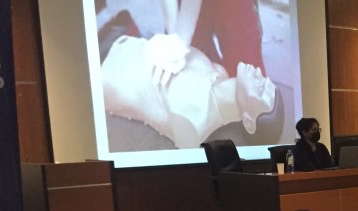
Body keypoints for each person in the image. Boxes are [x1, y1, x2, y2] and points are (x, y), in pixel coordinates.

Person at [102, 34, 283, 149]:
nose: (259, 73)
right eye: (265, 80)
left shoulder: (194, 124)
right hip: (123, 41)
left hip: (103, 71)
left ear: (249, 122)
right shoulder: (219, 73)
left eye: (260, 89)